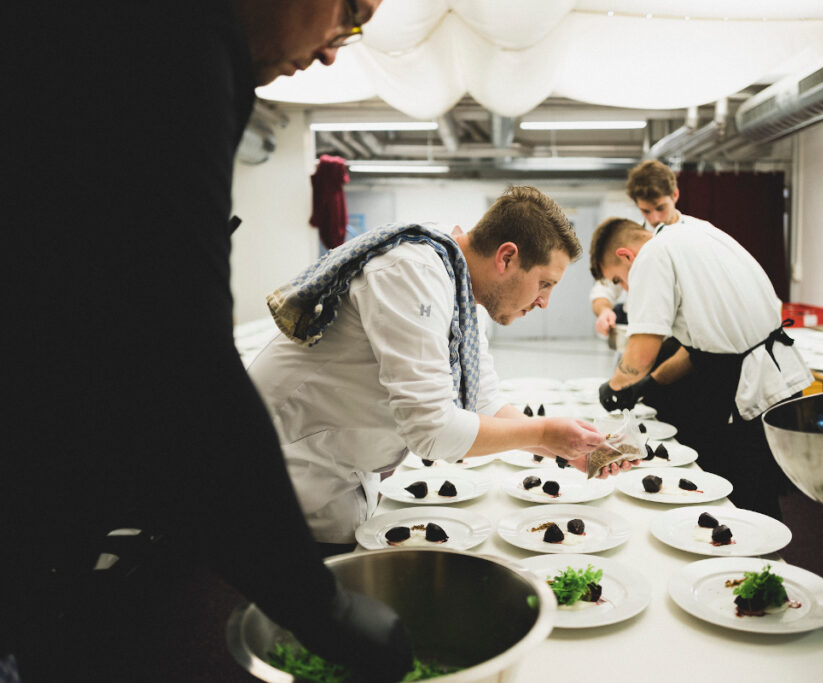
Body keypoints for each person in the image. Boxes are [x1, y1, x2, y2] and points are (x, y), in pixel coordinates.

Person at [3, 2, 417, 682]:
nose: (334, 50)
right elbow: (179, 357)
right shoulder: (176, 37)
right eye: (348, 11)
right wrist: (319, 605)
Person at [247, 187, 625, 551]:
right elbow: (433, 431)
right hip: (285, 470)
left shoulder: (457, 282)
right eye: (545, 283)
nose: (544, 301)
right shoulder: (412, 273)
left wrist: (572, 450)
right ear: (506, 257)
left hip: (336, 469)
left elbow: (483, 400)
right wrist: (544, 430)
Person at [591, 217, 812, 519]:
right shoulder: (695, 232)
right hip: (774, 376)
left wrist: (615, 386)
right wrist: (650, 384)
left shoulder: (652, 255)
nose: (625, 289)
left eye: (618, 280)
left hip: (751, 385)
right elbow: (700, 348)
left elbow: (643, 349)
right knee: (757, 491)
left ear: (625, 256)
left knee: (749, 497)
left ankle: (752, 563)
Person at [591, 160, 691, 428]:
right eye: (646, 211)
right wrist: (604, 311)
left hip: (681, 353)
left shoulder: (688, 241)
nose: (655, 217)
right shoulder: (636, 240)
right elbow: (606, 285)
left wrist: (616, 386)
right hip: (654, 351)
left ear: (675, 196)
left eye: (661, 208)